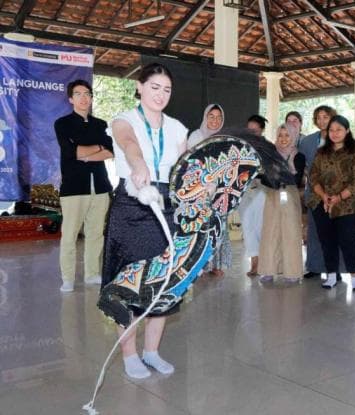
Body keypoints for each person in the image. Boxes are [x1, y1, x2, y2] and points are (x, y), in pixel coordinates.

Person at [102, 63, 189, 379]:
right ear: (139, 86)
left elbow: (185, 168)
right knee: (130, 284)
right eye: (154, 87)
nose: (161, 94)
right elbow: (129, 144)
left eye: (167, 89)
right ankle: (129, 355)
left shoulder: (178, 128)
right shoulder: (124, 119)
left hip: (166, 209)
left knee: (163, 285)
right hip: (132, 207)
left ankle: (152, 352)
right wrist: (138, 165)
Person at [54, 79, 113, 293]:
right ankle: (68, 278)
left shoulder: (100, 124)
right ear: (71, 99)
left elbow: (110, 152)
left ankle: (91, 274)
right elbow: (71, 152)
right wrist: (96, 148)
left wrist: (87, 152)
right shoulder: (62, 124)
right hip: (73, 187)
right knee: (69, 234)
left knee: (96, 233)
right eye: (78, 94)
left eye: (87, 93)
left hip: (100, 186)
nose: (84, 98)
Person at [307, 115, 355, 291]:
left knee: (349, 240)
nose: (334, 133)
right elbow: (313, 176)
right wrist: (324, 195)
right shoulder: (321, 152)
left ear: (347, 131)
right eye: (331, 130)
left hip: (348, 204)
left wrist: (338, 197)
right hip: (322, 202)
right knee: (327, 240)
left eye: (339, 130)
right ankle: (331, 275)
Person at [298, 105, 345, 280]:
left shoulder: (342, 139)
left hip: (336, 195)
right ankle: (315, 266)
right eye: (318, 117)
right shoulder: (308, 141)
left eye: (325, 117)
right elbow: (300, 165)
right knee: (315, 231)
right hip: (314, 194)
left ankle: (335, 269)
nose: (322, 121)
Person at [258, 123, 305, 284]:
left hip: (290, 197)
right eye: (280, 135)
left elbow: (296, 180)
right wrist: (275, 178)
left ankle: (292, 272)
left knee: (291, 233)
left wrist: (275, 176)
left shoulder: (299, 156)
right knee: (270, 233)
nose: (283, 139)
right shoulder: (270, 155)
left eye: (287, 135)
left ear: (293, 137)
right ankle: (268, 270)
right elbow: (263, 177)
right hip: (272, 195)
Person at [188, 104, 231, 277]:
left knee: (219, 226)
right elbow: (190, 161)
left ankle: (217, 264)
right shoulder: (196, 136)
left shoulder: (225, 138)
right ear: (205, 118)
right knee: (202, 226)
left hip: (221, 189)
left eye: (218, 117)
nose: (215, 120)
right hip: (201, 189)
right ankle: (201, 266)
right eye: (211, 116)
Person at [239, 114, 268, 276]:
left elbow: (269, 168)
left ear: (261, 131)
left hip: (261, 189)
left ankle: (263, 261)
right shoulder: (240, 145)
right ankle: (253, 261)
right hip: (243, 189)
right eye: (249, 130)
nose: (252, 133)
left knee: (259, 224)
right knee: (247, 223)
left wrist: (260, 177)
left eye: (255, 131)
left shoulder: (267, 146)